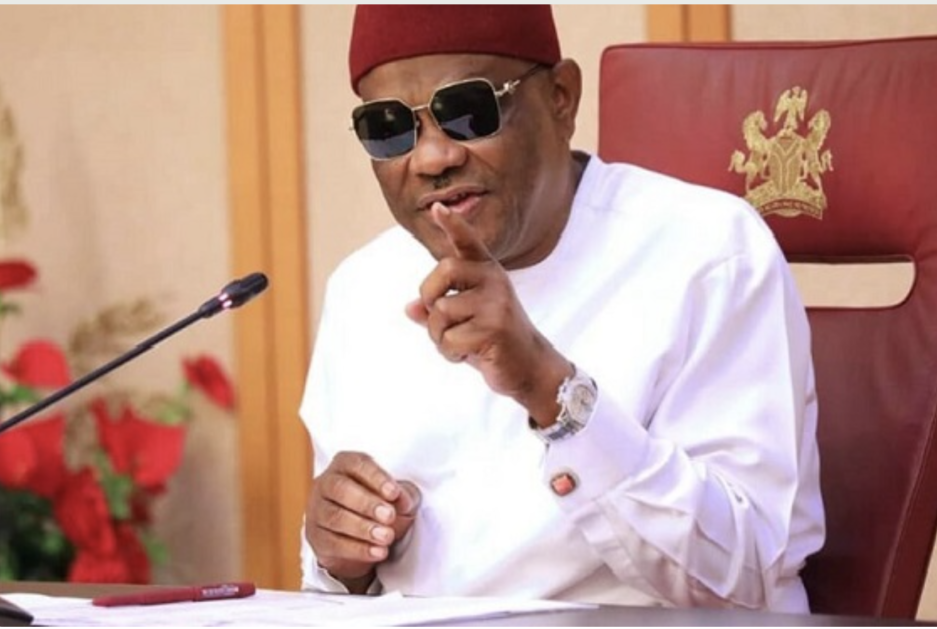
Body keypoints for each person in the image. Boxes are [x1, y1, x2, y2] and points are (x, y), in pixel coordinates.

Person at [299, 5, 824, 612]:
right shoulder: (363, 287)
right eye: (389, 127)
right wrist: (339, 558)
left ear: (561, 98)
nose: (432, 158)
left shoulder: (709, 251)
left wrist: (548, 388)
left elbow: (744, 574)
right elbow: (332, 591)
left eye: (468, 110)